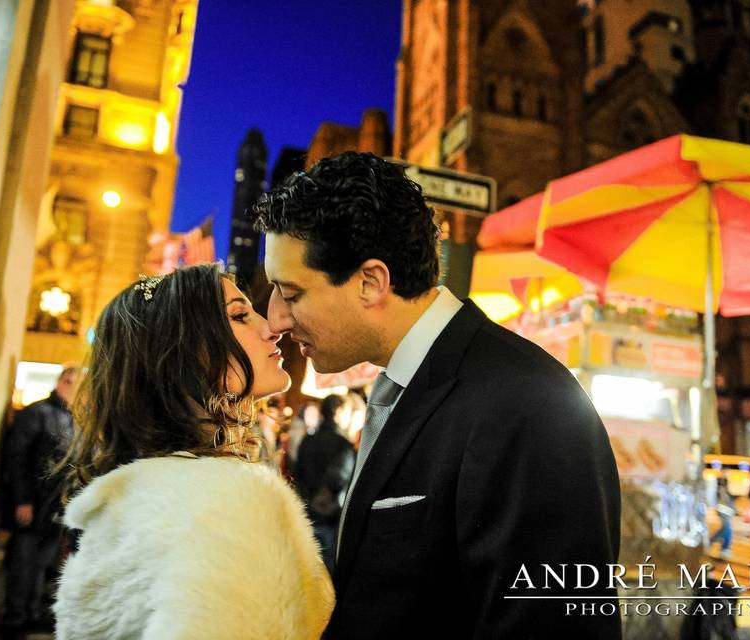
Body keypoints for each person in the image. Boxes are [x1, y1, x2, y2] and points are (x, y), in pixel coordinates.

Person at [253, 152, 621, 638]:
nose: (274, 317)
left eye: (292, 293)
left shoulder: (526, 401)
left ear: (371, 282)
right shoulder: (399, 385)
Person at [52, 265, 333, 639]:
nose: (271, 327)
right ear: (185, 355)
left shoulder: (142, 493)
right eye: (239, 315)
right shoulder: (226, 500)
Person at [2, 364, 80, 635]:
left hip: (56, 507)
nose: (70, 386)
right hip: (33, 502)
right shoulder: (37, 413)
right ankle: (15, 617)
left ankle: (31, 612)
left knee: (40, 564)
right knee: (23, 561)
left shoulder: (74, 420)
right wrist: (22, 500)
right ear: (59, 381)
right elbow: (17, 458)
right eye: (67, 380)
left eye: (76, 382)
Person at [294, 394, 357, 571]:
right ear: (338, 411)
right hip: (331, 517)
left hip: (307, 513)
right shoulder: (343, 444)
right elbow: (339, 480)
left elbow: (297, 473)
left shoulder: (307, 441)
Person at [712, 479, 736, 557]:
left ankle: (710, 542)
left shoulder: (723, 492)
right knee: (727, 528)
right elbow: (719, 504)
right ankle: (725, 549)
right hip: (724, 512)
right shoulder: (720, 492)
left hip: (725, 512)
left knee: (725, 528)